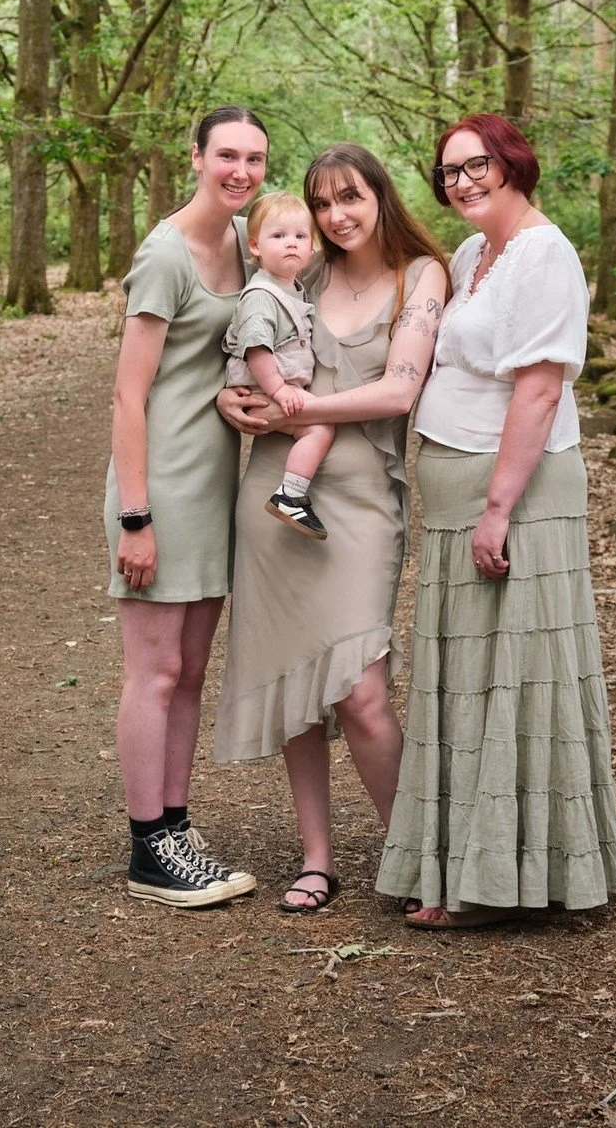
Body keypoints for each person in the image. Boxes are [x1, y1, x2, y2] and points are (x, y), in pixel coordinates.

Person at [376, 113, 616, 930]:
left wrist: (496, 510)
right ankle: (459, 864)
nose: (462, 182)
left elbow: (541, 390)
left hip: (513, 494)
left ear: (514, 162)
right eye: (449, 171)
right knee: (467, 683)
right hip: (458, 492)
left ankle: (499, 884)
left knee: (514, 676)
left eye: (476, 164)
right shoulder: (472, 255)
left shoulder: (544, 255)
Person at [214, 144, 449, 913]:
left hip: (361, 502)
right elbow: (249, 353)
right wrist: (230, 399)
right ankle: (317, 859)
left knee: (362, 690)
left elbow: (398, 391)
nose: (335, 215)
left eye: (350, 197)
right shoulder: (302, 272)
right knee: (296, 679)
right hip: (275, 497)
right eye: (321, 203)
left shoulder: (421, 276)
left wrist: (302, 410)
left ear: (380, 194)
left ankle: (419, 860)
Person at [104, 105, 268, 907]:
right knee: (156, 671)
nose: (241, 171)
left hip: (213, 486)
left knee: (192, 670)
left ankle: (173, 825)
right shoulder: (164, 255)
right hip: (160, 488)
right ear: (196, 157)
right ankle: (148, 853)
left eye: (255, 158)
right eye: (227, 155)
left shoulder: (243, 239)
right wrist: (135, 518)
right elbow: (128, 395)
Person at [222, 192, 336, 541]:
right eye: (279, 235)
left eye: (300, 236)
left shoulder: (292, 289)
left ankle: (292, 493)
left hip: (274, 387)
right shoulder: (261, 296)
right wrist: (279, 389)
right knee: (320, 427)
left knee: (317, 427)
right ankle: (291, 495)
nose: (291, 243)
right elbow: (257, 349)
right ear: (255, 245)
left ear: (312, 246)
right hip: (263, 389)